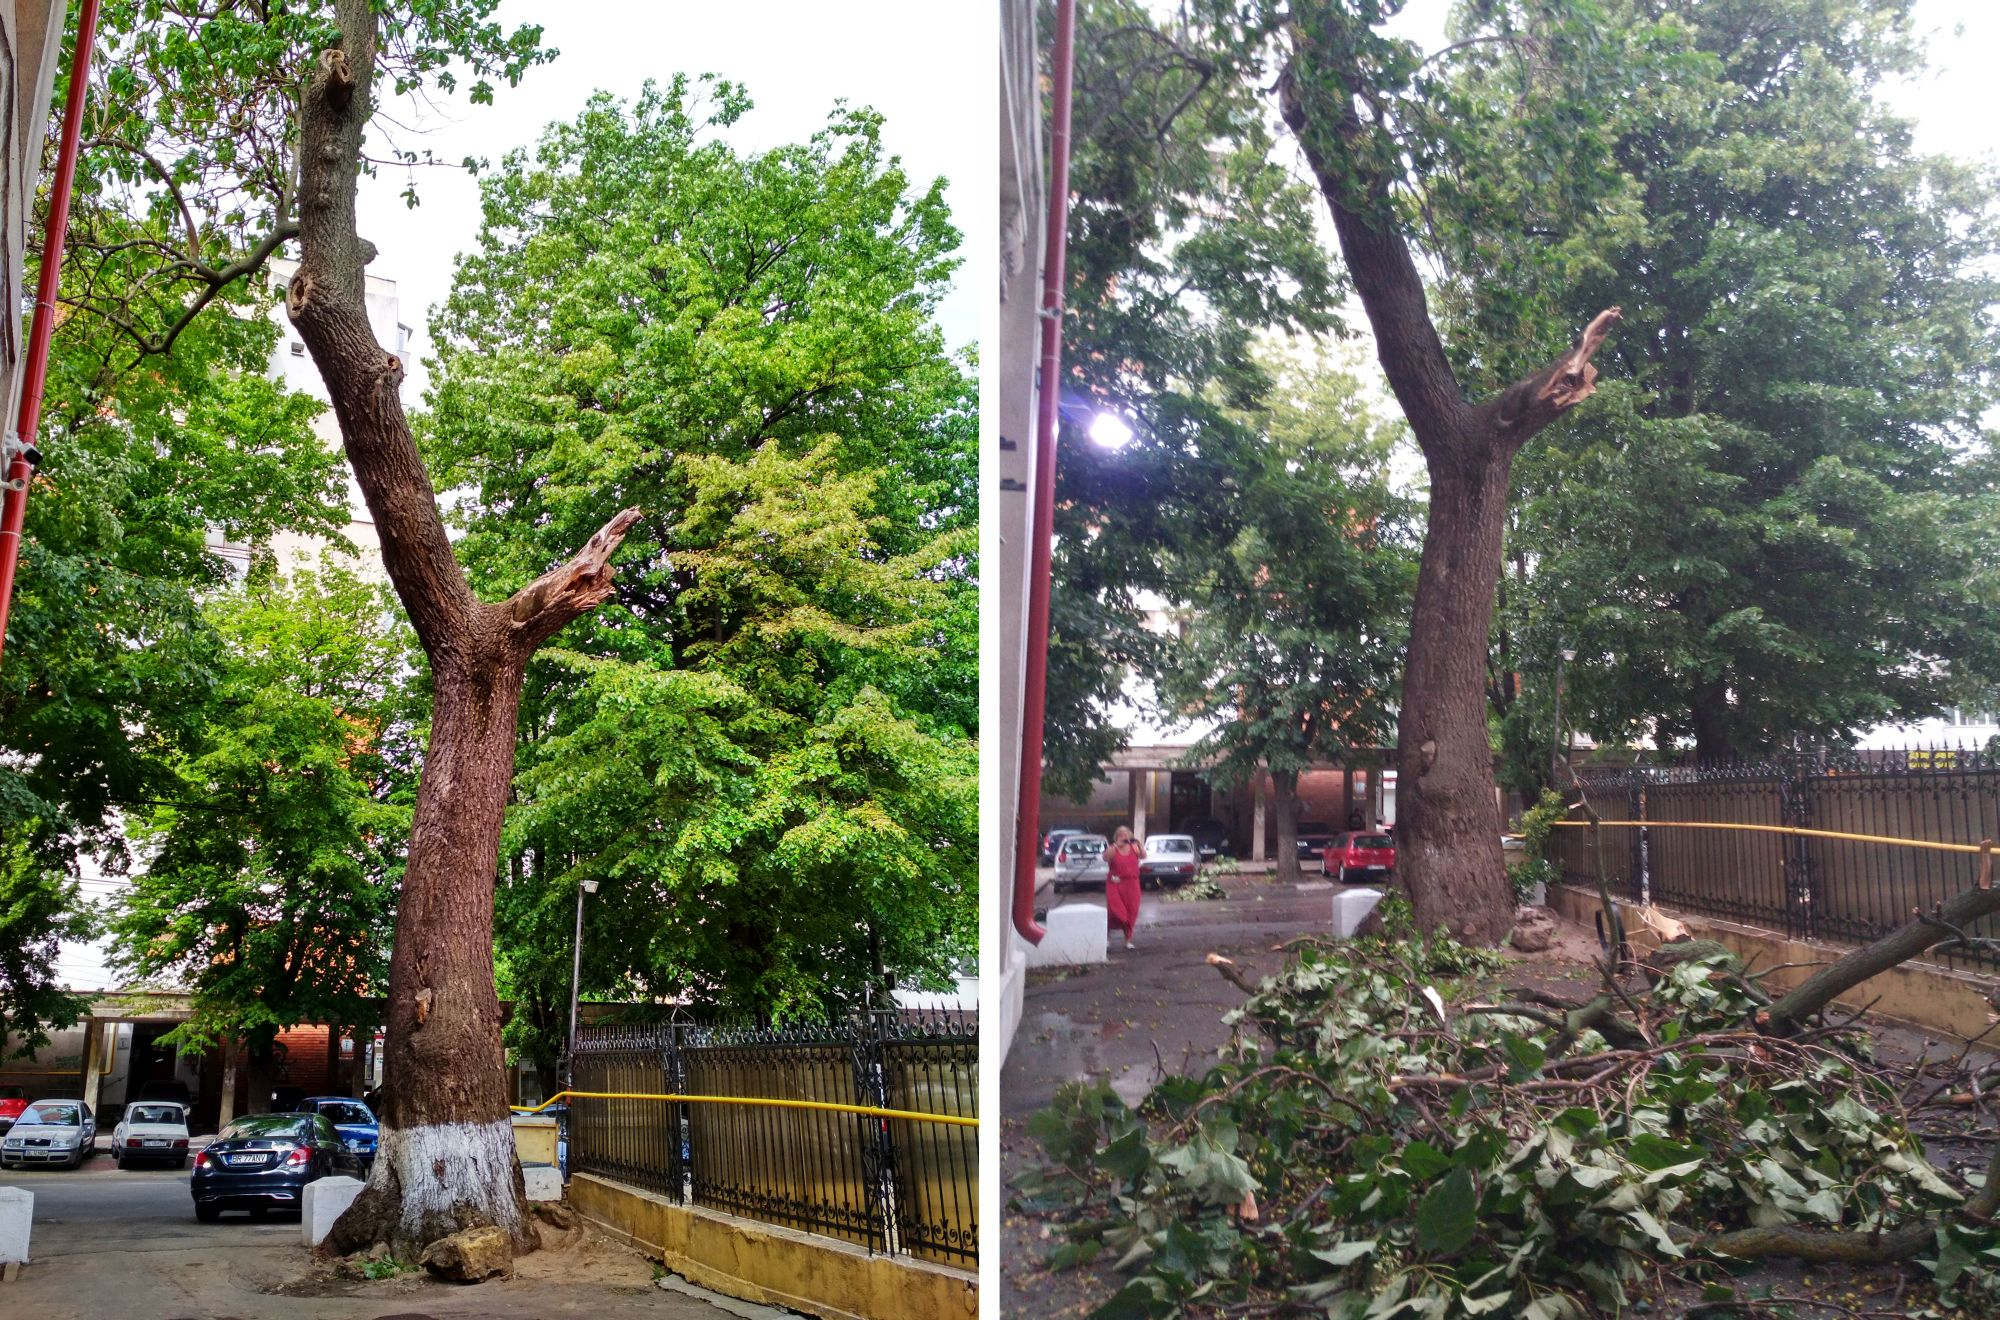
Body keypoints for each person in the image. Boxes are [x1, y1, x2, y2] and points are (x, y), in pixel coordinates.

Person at [1105, 826, 1144, 950]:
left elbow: (1143, 856)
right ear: (1116, 837)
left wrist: (1139, 844)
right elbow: (1105, 858)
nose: (1124, 837)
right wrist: (1116, 846)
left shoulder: (1134, 847)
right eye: (1121, 835)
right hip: (1115, 884)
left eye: (1126, 835)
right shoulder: (1113, 849)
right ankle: (1106, 935)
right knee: (1117, 913)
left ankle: (1128, 940)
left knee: (1131, 912)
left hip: (1132, 884)